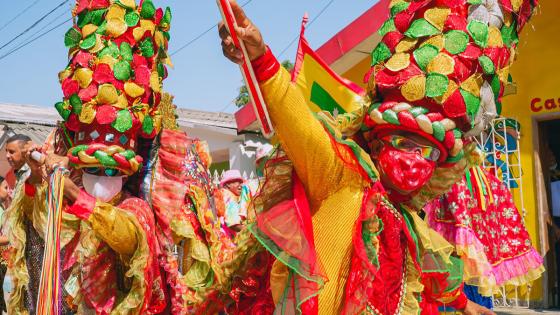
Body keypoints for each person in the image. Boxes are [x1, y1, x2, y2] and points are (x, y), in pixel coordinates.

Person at [219, 0, 537, 313]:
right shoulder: (339, 173)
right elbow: (297, 121)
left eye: (425, 151)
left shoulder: (408, 219)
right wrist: (260, 57)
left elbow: (433, 273)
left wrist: (465, 305)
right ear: (377, 143)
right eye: (402, 141)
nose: (412, 160)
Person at [2, 0, 173, 313]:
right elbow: (34, 216)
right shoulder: (68, 204)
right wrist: (37, 175)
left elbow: (124, 235)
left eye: (109, 171)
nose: (99, 177)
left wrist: (73, 193)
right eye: (92, 167)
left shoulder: (134, 208)